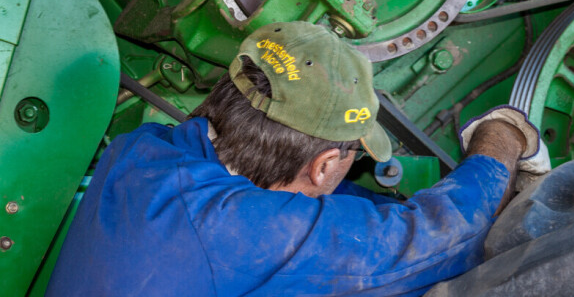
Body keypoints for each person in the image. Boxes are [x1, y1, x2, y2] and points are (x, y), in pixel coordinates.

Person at [47, 21, 548, 296]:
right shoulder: (242, 232)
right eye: (352, 159)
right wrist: (501, 136)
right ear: (326, 164)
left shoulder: (140, 150)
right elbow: (447, 236)